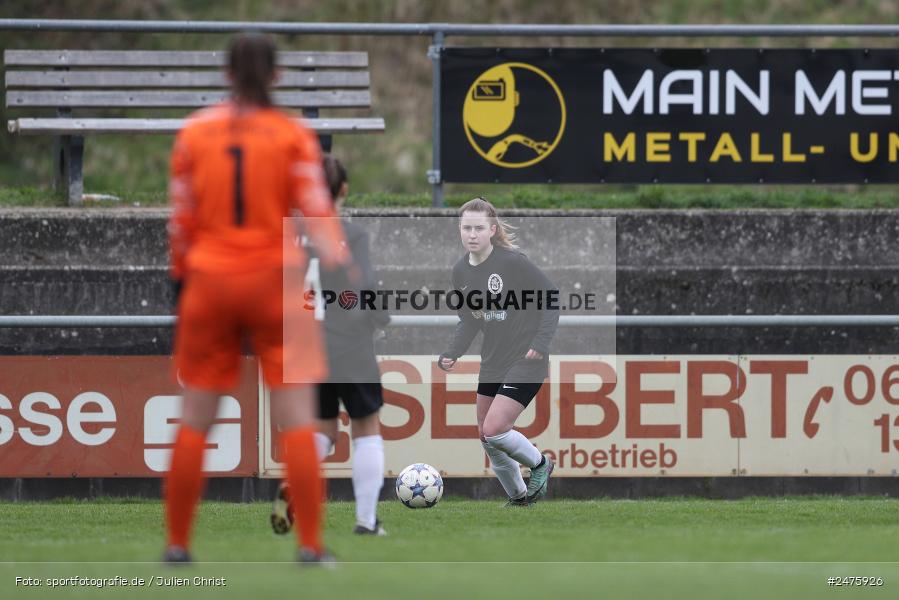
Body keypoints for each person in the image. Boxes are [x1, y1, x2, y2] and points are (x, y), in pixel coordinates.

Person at [164, 32, 350, 564]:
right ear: (277, 76)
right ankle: (311, 546)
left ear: (225, 74)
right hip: (276, 280)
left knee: (196, 416)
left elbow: (181, 218)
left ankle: (178, 546)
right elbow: (317, 211)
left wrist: (182, 279)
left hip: (212, 278)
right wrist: (339, 261)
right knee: (296, 419)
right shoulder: (291, 135)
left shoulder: (195, 133)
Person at [271, 155, 389, 536]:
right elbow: (364, 287)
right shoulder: (350, 234)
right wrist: (379, 316)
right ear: (343, 190)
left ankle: (293, 484)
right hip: (349, 341)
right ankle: (366, 521)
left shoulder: (290, 233)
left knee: (322, 429)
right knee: (366, 426)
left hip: (306, 343)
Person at [438, 197, 559, 506]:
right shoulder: (460, 272)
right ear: (460, 231)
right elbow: (468, 319)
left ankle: (540, 464)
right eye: (466, 228)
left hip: (526, 359)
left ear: (492, 230)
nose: (472, 234)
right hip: (492, 361)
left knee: (494, 428)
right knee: (486, 437)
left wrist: (541, 343)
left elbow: (550, 298)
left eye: (479, 228)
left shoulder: (512, 262)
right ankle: (519, 498)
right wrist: (453, 351)